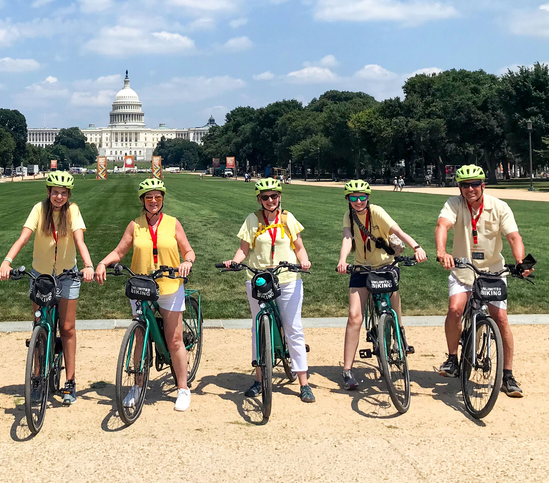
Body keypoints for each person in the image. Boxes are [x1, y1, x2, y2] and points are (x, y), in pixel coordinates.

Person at [95, 178, 196, 411]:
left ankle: (183, 388)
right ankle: (138, 386)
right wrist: (102, 263)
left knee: (175, 340)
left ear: (162, 200)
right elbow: (120, 251)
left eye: (157, 197)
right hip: (142, 287)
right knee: (139, 337)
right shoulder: (135, 225)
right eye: (149, 197)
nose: (153, 201)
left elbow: (188, 250)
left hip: (169, 285)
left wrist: (187, 262)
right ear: (142, 200)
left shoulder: (173, 223)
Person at [434, 164, 533, 397]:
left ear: (483, 185)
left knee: (500, 319)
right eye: (465, 185)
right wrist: (442, 250)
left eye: (475, 184)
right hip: (463, 271)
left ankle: (507, 376)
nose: (470, 189)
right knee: (455, 310)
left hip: (492, 272)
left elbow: (513, 236)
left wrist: (521, 261)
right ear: (459, 187)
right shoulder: (453, 204)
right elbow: (442, 225)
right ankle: (452, 359)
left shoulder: (500, 207)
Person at [0, 171, 95, 405]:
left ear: (68, 195)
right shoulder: (39, 210)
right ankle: (38, 375)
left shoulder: (73, 211)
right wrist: (7, 260)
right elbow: (23, 238)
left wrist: (88, 265)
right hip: (41, 275)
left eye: (63, 193)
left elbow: (79, 240)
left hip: (66, 274)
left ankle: (70, 381)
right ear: (48, 192)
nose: (59, 197)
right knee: (39, 326)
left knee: (68, 328)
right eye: (55, 192)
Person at [222, 178, 316, 403]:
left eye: (274, 196)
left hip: (287, 278)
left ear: (280, 197)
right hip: (259, 279)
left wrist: (304, 261)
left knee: (293, 328)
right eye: (265, 197)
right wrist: (234, 261)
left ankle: (304, 382)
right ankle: (259, 378)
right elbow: (243, 249)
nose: (270, 200)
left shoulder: (288, 218)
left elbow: (299, 247)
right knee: (258, 327)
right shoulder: (252, 219)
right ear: (259, 199)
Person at [336, 180, 427, 390]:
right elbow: (347, 239)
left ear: (368, 197)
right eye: (353, 197)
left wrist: (417, 247)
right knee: (354, 317)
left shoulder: (376, 212)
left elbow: (398, 231)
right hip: (361, 267)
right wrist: (342, 260)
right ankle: (347, 370)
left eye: (362, 197)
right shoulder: (349, 216)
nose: (358, 202)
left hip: (385, 265)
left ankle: (399, 331)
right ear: (348, 200)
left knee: (392, 301)